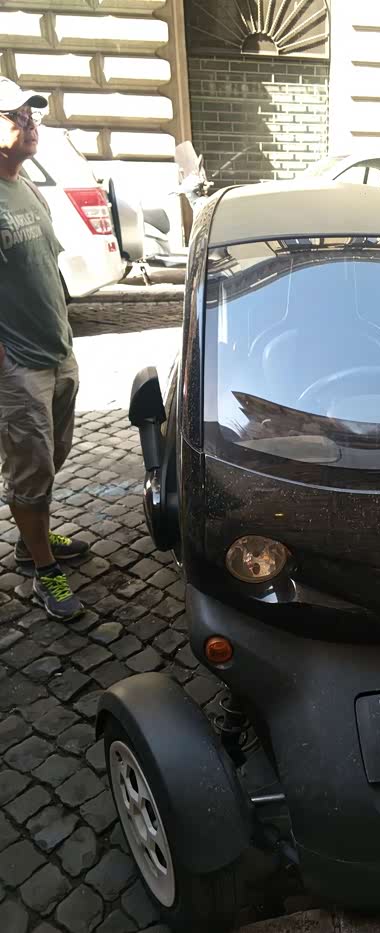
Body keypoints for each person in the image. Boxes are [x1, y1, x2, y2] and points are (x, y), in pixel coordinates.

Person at [0, 77, 89, 621]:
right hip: (18, 366)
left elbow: (44, 269)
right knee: (30, 472)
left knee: (53, 456)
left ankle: (31, 540)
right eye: (16, 115)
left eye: (31, 114)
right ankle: (43, 570)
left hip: (57, 350)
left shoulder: (27, 185)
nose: (30, 123)